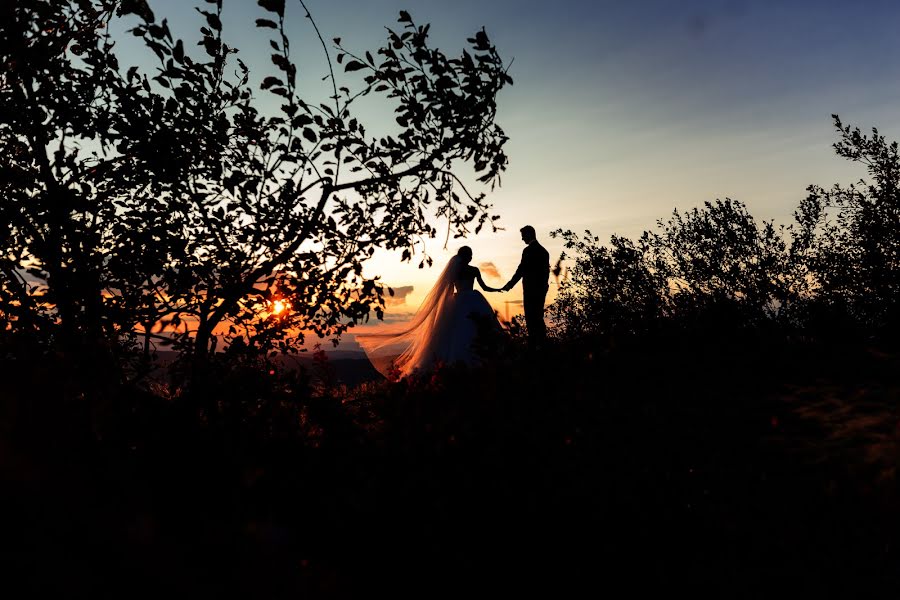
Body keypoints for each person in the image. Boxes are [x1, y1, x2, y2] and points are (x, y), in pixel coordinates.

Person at [356, 246, 501, 379]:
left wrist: (447, 305)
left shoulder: (457, 271)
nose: (471, 257)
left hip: (458, 302)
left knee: (457, 332)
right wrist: (497, 290)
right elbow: (484, 287)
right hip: (473, 300)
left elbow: (447, 290)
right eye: (470, 255)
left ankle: (455, 366)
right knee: (472, 329)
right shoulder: (473, 270)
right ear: (467, 256)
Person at [501, 225, 550, 347]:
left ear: (529, 235)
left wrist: (509, 285)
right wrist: (544, 288)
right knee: (538, 317)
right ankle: (542, 344)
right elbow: (545, 273)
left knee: (531, 318)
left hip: (530, 291)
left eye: (523, 236)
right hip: (541, 291)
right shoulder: (544, 251)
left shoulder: (527, 251)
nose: (522, 239)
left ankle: (534, 345)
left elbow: (521, 270)